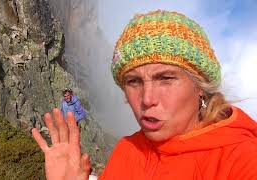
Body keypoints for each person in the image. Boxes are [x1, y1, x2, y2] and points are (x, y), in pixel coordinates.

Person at [32, 10, 257, 180]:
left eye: (166, 78)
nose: (147, 99)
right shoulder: (128, 150)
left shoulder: (243, 160)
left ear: (200, 86)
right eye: (133, 81)